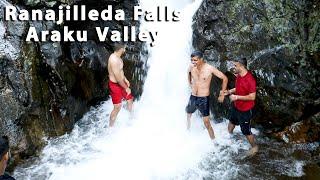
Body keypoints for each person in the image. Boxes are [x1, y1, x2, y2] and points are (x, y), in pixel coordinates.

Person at [186, 51, 228, 139]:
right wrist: (189, 83)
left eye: (195, 60)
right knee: (188, 114)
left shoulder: (210, 69)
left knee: (206, 122)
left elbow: (225, 78)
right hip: (193, 96)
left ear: (201, 59)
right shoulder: (191, 66)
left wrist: (222, 94)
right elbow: (188, 73)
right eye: (192, 60)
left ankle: (214, 141)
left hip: (203, 99)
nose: (193, 62)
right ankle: (187, 132)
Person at [225, 57, 258, 156]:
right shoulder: (239, 75)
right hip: (236, 106)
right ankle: (228, 137)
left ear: (241, 66)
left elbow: (252, 97)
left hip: (245, 110)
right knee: (231, 122)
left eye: (235, 65)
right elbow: (239, 87)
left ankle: (255, 147)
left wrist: (236, 97)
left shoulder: (250, 80)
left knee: (246, 131)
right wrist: (230, 91)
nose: (233, 67)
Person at [108, 43, 134, 127]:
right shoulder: (114, 60)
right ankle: (110, 127)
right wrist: (126, 88)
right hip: (115, 85)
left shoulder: (117, 56)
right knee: (117, 107)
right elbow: (118, 79)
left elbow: (120, 71)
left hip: (121, 82)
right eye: (124, 47)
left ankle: (130, 120)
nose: (125, 48)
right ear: (121, 49)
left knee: (130, 100)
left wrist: (125, 79)